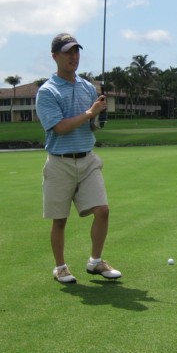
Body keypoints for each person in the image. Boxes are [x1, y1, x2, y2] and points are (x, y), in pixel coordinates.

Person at [35, 33, 121, 283]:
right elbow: (59, 127)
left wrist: (98, 118)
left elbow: (90, 124)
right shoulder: (47, 91)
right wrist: (89, 113)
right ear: (55, 56)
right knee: (60, 220)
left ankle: (95, 262)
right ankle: (60, 267)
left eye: (76, 51)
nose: (73, 56)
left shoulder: (86, 87)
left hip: (88, 158)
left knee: (103, 210)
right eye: (67, 52)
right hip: (60, 161)